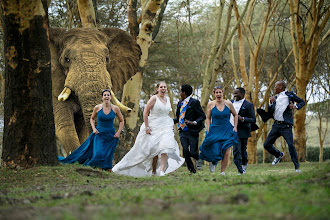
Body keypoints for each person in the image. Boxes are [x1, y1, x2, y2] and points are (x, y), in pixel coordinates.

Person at [112, 82, 184, 177]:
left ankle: (162, 171)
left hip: (166, 126)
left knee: (166, 147)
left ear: (166, 89)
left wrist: (171, 124)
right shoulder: (154, 98)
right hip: (153, 125)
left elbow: (167, 113)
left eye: (165, 87)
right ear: (157, 89)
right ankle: (126, 167)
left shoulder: (168, 99)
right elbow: (145, 112)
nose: (163, 88)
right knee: (149, 150)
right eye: (161, 87)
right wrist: (147, 127)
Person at [58, 89, 124, 171]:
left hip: (111, 135)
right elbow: (92, 119)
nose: (106, 96)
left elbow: (122, 121)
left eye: (108, 95)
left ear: (110, 97)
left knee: (108, 154)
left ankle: (105, 170)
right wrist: (94, 129)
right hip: (99, 134)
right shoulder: (97, 108)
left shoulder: (115, 108)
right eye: (105, 95)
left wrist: (118, 132)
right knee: (98, 153)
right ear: (102, 98)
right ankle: (95, 167)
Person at [262, 81, 305, 173]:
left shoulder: (290, 95)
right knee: (266, 144)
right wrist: (270, 103)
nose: (274, 88)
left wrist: (295, 106)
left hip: (286, 126)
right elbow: (270, 112)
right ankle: (278, 155)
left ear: (281, 87)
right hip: (276, 125)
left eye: (275, 87)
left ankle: (297, 167)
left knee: (291, 145)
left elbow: (302, 102)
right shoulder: (275, 98)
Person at [199, 86, 239, 175]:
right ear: (214, 94)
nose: (218, 94)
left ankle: (222, 172)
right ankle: (213, 161)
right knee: (215, 149)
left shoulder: (228, 104)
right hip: (215, 130)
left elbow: (235, 115)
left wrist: (235, 127)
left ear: (222, 92)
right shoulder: (210, 104)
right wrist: (208, 128)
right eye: (216, 92)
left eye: (220, 92)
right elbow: (208, 118)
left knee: (227, 152)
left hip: (227, 130)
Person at [173, 84, 206, 173]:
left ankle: (197, 157)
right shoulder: (180, 103)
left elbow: (202, 116)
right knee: (185, 151)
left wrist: (194, 122)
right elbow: (179, 117)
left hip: (193, 131)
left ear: (184, 92)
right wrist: (169, 121)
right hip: (182, 131)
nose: (179, 93)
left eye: (180, 91)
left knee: (193, 152)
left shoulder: (195, 102)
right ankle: (192, 169)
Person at [230, 87, 258, 175]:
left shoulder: (248, 105)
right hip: (232, 130)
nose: (234, 95)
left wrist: (242, 119)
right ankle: (239, 170)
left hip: (243, 130)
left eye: (236, 93)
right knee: (236, 150)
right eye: (234, 93)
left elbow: (253, 119)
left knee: (242, 150)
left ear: (242, 94)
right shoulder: (230, 103)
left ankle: (244, 165)